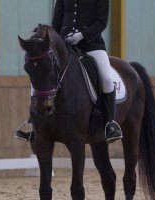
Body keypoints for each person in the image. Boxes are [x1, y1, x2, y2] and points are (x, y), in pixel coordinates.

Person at [15, 0, 122, 143]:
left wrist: (82, 35)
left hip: (91, 45)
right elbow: (57, 22)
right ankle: (35, 124)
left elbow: (101, 22)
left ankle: (110, 123)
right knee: (42, 73)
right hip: (66, 45)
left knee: (107, 79)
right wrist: (58, 40)